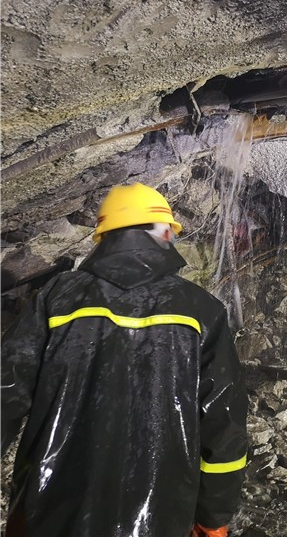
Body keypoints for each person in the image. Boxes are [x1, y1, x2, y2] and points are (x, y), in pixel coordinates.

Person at [1, 183, 248, 537]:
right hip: (161, 516)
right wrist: (213, 516)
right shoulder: (200, 309)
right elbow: (223, 421)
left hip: (50, 511)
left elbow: (6, 391)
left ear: (103, 238)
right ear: (165, 233)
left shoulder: (57, 298)